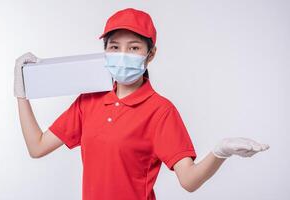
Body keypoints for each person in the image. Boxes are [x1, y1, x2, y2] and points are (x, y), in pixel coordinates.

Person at [14, 8, 270, 200]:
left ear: (151, 54)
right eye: (114, 47)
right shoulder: (89, 101)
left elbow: (189, 181)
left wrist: (220, 152)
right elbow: (37, 147)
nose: (123, 55)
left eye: (134, 47)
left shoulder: (160, 111)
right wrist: (22, 92)